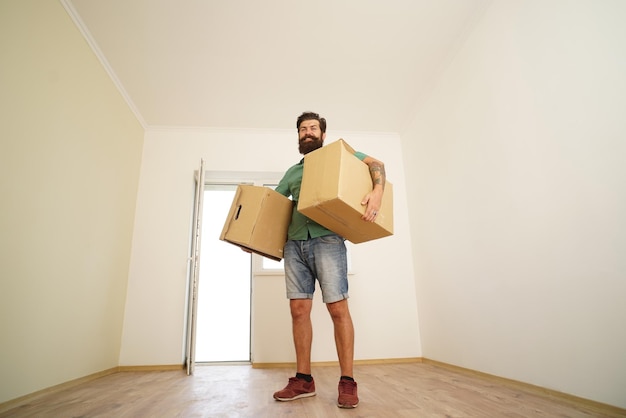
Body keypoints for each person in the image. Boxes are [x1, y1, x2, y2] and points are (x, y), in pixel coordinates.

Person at [272, 111, 386, 409]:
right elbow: (273, 209)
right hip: (294, 244)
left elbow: (376, 163)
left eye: (313, 128)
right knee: (298, 310)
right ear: (298, 136)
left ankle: (347, 381)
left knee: (337, 308)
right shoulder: (291, 173)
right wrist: (254, 238)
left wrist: (377, 191)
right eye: (302, 129)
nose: (307, 132)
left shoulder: (341, 155)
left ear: (323, 134)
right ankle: (303, 380)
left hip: (327, 240)